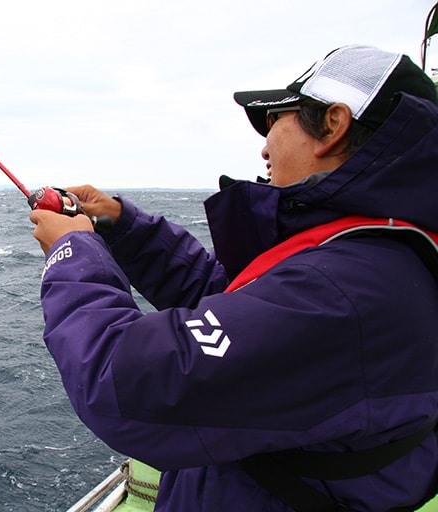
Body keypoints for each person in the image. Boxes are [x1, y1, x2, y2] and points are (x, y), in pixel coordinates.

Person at [29, 45, 438, 511]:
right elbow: (236, 303)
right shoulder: (372, 252)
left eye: (273, 121)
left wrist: (73, 251)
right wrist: (122, 226)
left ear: (333, 125)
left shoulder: (343, 290)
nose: (264, 146)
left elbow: (119, 381)